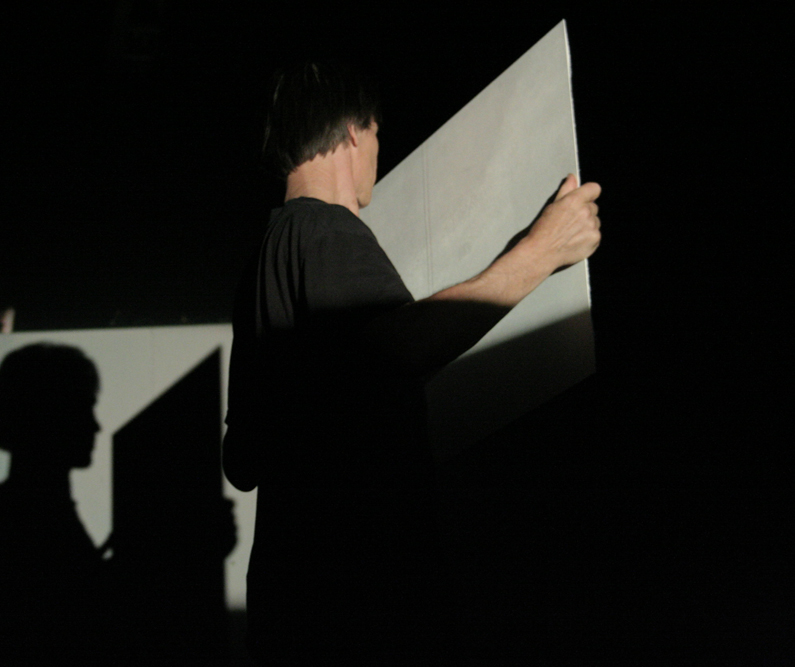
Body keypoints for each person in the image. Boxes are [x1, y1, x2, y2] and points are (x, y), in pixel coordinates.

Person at [223, 62, 601, 666]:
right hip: (367, 610)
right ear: (352, 131)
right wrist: (542, 250)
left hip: (292, 612)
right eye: (376, 131)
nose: (378, 147)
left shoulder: (266, 263)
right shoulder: (326, 229)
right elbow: (397, 349)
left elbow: (240, 461)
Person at [0, 342, 116, 665]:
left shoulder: (17, 513)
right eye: (84, 406)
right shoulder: (30, 520)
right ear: (48, 413)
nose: (95, 425)